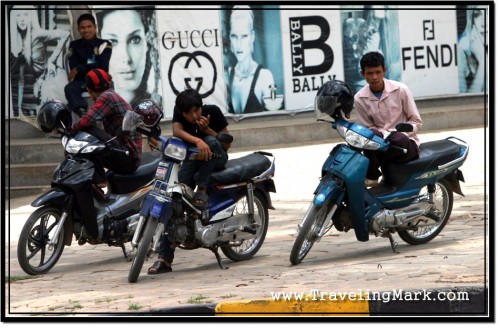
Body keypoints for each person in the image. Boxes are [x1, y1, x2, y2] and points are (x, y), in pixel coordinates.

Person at [148, 88, 231, 275]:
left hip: (217, 158)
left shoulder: (213, 112)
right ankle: (164, 260)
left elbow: (226, 144)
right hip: (194, 159)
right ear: (182, 112)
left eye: (197, 110)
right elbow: (177, 131)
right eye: (190, 113)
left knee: (211, 142)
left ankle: (201, 189)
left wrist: (206, 131)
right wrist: (197, 141)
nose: (195, 115)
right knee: (173, 200)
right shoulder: (181, 113)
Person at [69, 68, 142, 199]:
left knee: (88, 131)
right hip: (125, 152)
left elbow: (86, 121)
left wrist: (69, 130)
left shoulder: (107, 97)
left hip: (128, 157)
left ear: (90, 91)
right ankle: (96, 179)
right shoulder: (111, 94)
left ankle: (100, 181)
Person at [353, 52, 423, 187]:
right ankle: (372, 178)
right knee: (369, 136)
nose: (374, 77)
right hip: (380, 144)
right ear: (363, 74)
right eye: (370, 73)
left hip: (405, 143)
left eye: (378, 72)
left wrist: (403, 131)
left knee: (397, 138)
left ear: (384, 70)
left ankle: (372, 173)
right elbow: (368, 128)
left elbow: (416, 121)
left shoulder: (401, 89)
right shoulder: (359, 98)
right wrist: (380, 136)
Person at [9, 5, 70, 117]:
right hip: (33, 86)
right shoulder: (16, 42)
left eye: (26, 14)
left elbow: (65, 34)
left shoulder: (37, 34)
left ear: (31, 17)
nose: (22, 19)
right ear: (14, 19)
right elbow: (20, 78)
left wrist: (53, 59)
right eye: (18, 15)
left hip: (47, 80)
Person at [95, 8, 162, 108]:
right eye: (113, 42)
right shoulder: (101, 108)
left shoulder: (158, 106)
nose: (126, 58)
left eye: (135, 39)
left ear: (147, 44)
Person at [226, 5, 276, 114]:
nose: (239, 45)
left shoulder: (265, 77)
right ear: (229, 37)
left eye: (244, 36)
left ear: (252, 37)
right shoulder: (227, 75)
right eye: (234, 36)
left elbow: (275, 116)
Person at [65, 14, 112, 117]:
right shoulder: (74, 45)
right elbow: (73, 66)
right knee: (69, 88)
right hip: (81, 81)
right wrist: (93, 63)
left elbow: (103, 66)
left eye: (89, 27)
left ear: (95, 27)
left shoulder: (104, 44)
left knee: (109, 90)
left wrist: (80, 67)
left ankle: (106, 119)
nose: (86, 30)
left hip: (100, 79)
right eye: (82, 27)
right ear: (78, 29)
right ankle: (83, 114)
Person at [458, 6, 486, 93]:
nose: (484, 23)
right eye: (477, 15)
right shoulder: (463, 48)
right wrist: (483, 61)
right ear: (472, 20)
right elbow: (464, 102)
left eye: (489, 13)